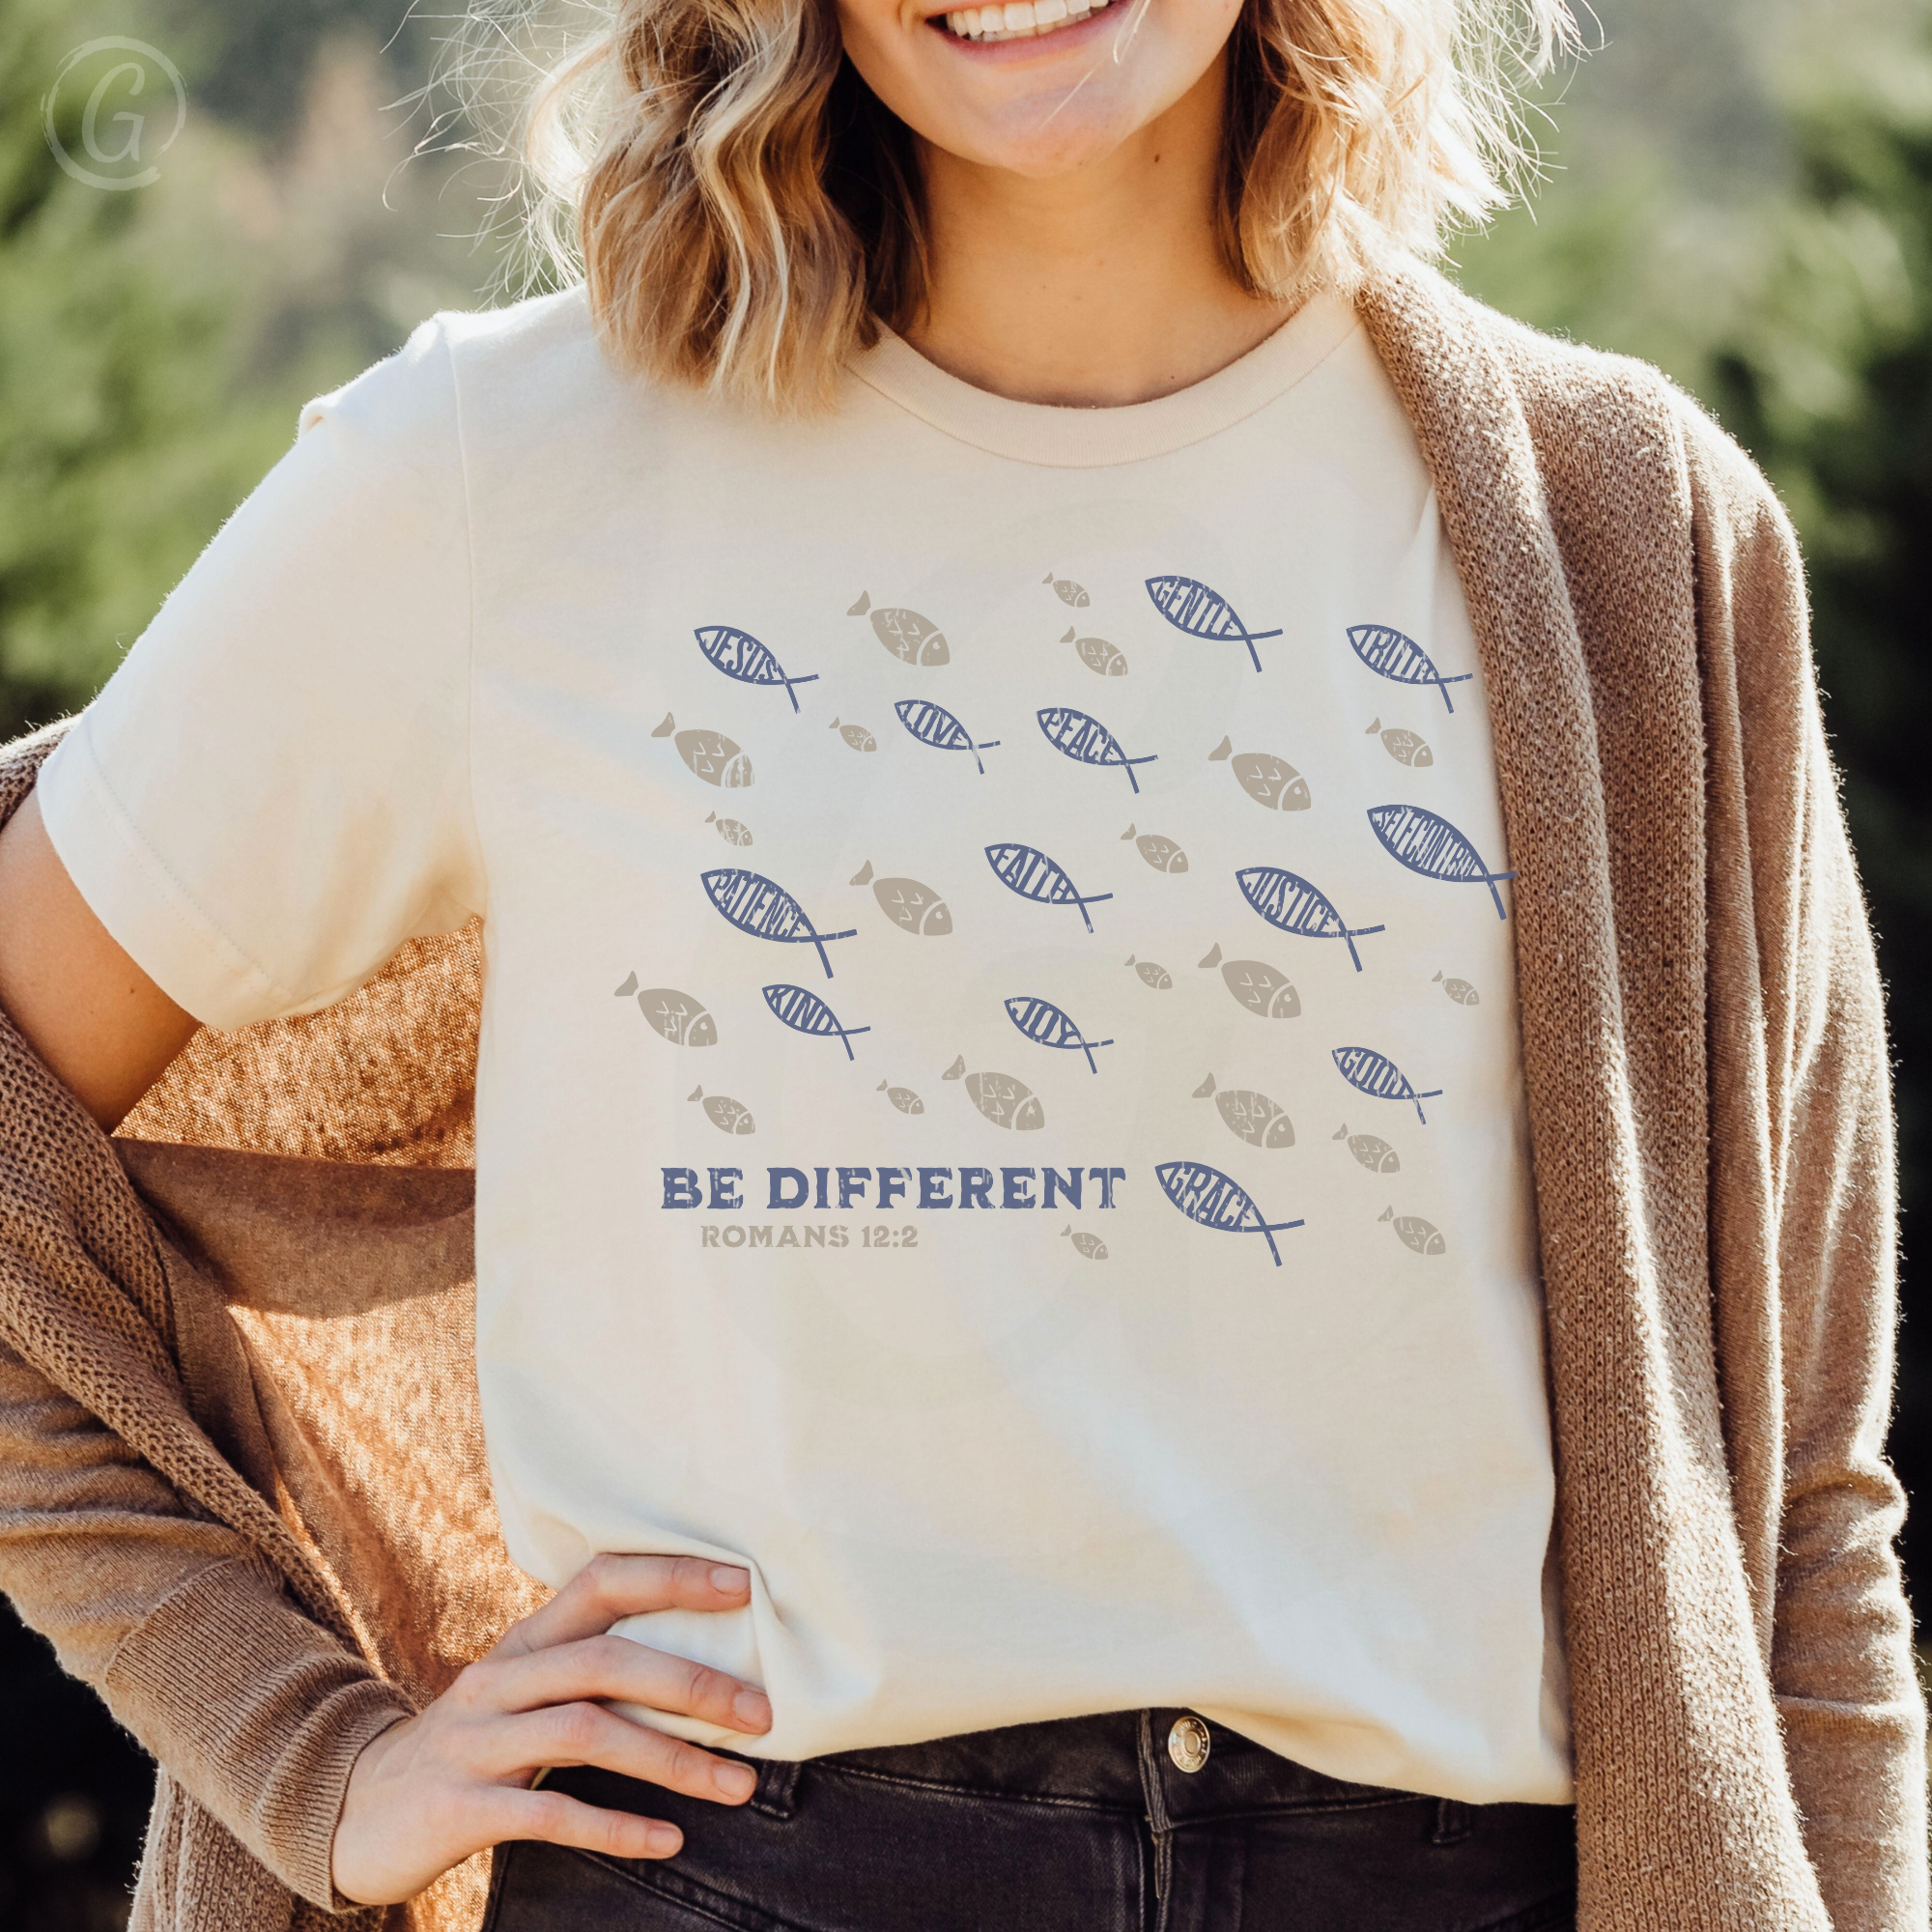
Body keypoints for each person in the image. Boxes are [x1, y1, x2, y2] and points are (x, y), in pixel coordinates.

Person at [0, 0, 1921, 1926]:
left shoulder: (1622, 530)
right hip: (741, 1880)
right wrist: (301, 1746)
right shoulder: (498, 472)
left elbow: (1803, 1532)